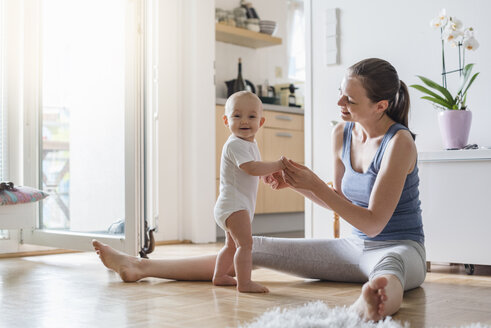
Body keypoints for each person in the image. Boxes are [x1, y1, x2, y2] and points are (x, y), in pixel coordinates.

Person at [93, 58, 425, 321]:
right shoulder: (342, 132)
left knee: (388, 270)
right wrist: (297, 184)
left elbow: (373, 224)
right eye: (340, 91)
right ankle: (140, 267)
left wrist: (312, 183)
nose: (338, 101)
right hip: (351, 248)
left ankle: (373, 304)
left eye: (349, 98)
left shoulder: (400, 143)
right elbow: (339, 202)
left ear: (380, 105)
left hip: (398, 247)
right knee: (250, 246)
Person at [212, 91, 284, 293]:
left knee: (232, 246)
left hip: (232, 205)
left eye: (251, 117)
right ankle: (244, 283)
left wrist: (266, 175)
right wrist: (277, 165)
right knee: (246, 245)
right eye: (237, 116)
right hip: (234, 206)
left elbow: (254, 168)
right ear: (226, 120)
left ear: (261, 122)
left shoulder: (249, 143)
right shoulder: (235, 144)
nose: (244, 121)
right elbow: (251, 168)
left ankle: (219, 275)